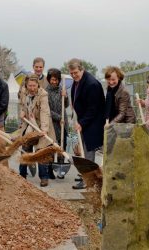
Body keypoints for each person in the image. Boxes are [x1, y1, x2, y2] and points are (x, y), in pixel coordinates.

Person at [68, 58, 105, 189]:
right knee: (84, 149)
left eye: (76, 72)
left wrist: (82, 123)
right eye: (71, 73)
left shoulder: (91, 84)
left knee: (88, 150)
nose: (73, 75)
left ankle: (88, 180)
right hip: (85, 120)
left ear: (82, 69)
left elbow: (93, 109)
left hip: (93, 122)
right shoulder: (77, 82)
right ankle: (86, 174)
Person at [18, 73, 56, 187]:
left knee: (41, 151)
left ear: (38, 85)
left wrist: (44, 130)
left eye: (34, 86)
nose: (32, 88)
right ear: (26, 85)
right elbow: (21, 104)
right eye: (30, 85)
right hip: (29, 124)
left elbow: (45, 112)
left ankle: (44, 177)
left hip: (41, 125)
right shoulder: (24, 92)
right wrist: (22, 111)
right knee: (25, 149)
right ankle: (22, 175)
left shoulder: (43, 95)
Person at [45, 68, 69, 179]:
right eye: (52, 79)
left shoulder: (62, 89)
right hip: (52, 123)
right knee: (51, 147)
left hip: (63, 123)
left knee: (61, 146)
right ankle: (49, 170)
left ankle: (60, 169)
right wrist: (59, 118)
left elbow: (66, 105)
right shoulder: (46, 92)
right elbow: (47, 110)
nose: (54, 82)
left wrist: (66, 96)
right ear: (49, 79)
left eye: (56, 80)